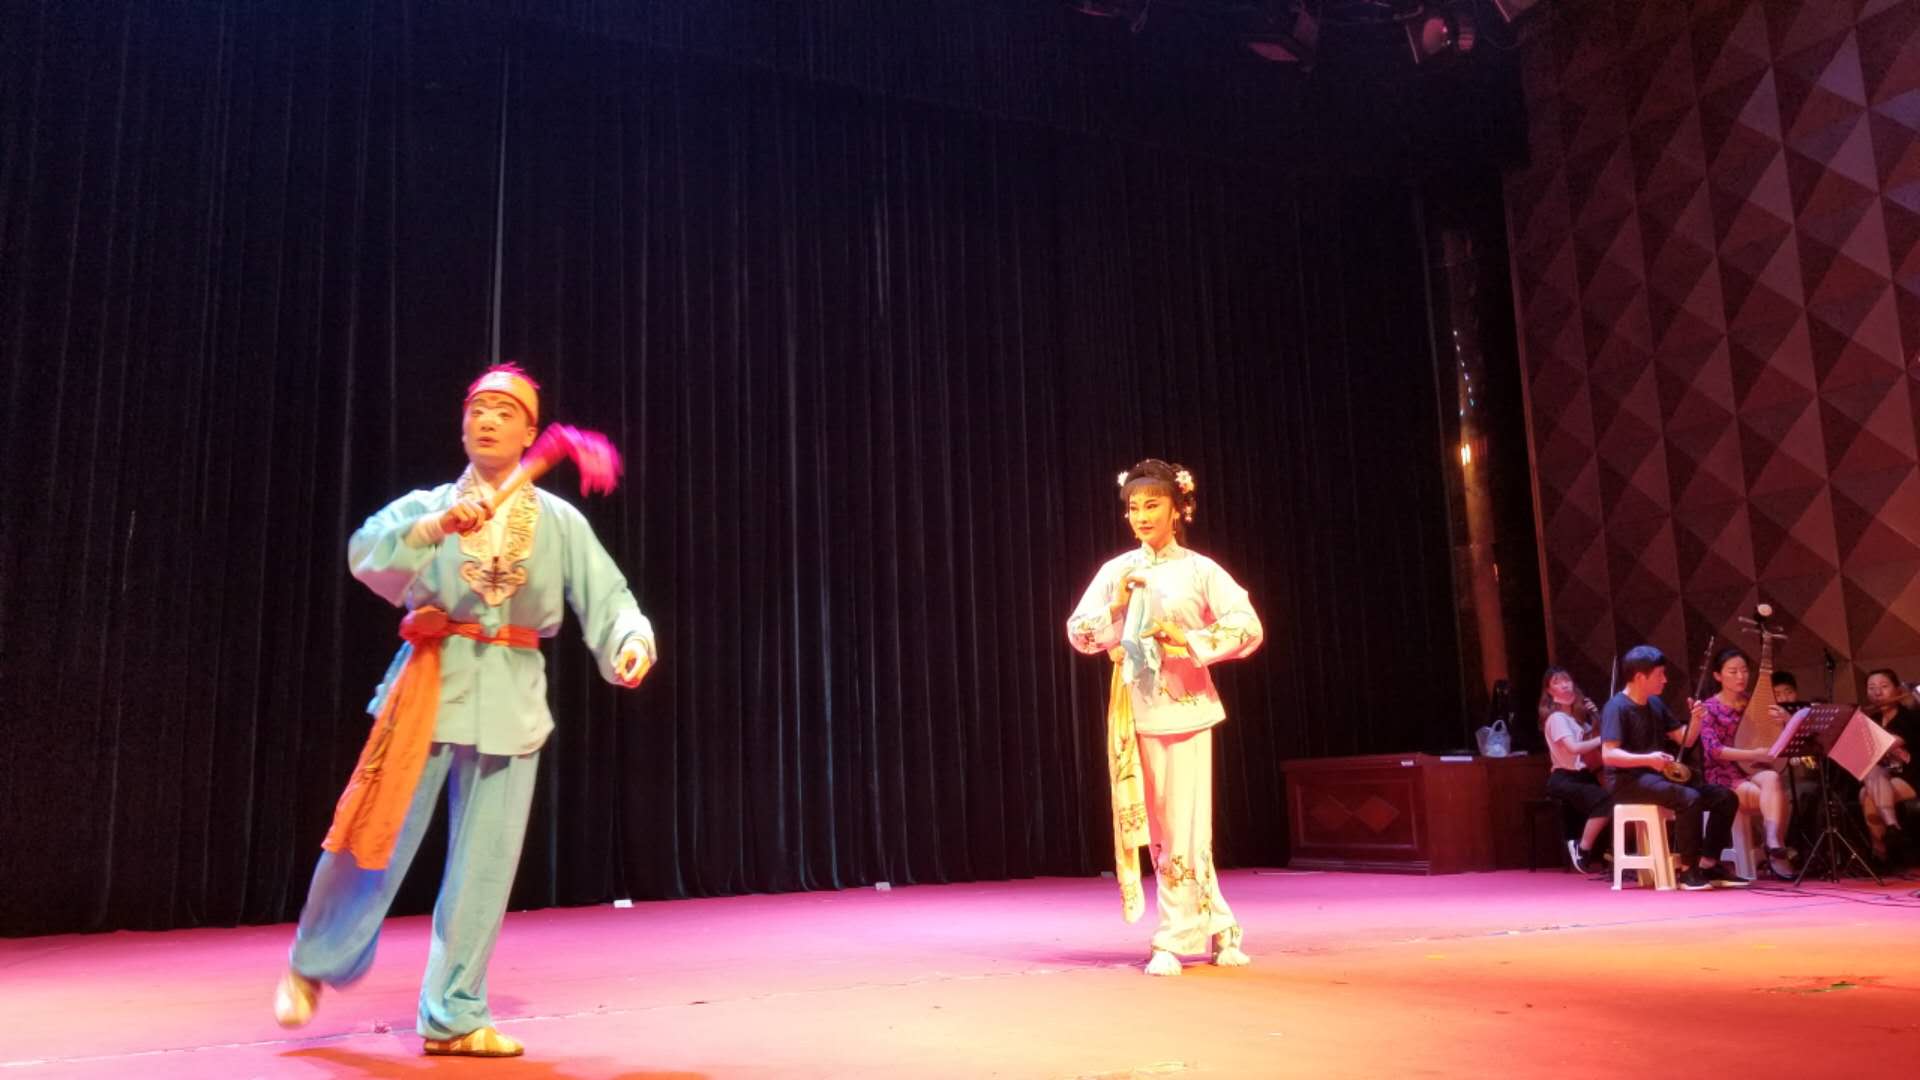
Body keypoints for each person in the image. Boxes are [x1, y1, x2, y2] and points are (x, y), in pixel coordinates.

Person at [272, 364, 656, 1057]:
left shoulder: (559, 523)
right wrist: (434, 528)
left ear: (531, 434)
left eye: (505, 413)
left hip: (512, 697)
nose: (488, 421)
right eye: (478, 409)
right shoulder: (428, 505)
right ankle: (313, 961)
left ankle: (453, 1014)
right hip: (430, 686)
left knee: (485, 866)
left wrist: (629, 640)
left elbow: (609, 597)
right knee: (375, 839)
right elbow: (366, 554)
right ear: (462, 425)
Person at [1066, 459, 1263, 976]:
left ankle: (1173, 938)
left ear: (1178, 509)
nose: (1141, 516)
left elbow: (1248, 626)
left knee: (1184, 827)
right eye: (1134, 507)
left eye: (1152, 505)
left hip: (1187, 710)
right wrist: (1115, 607)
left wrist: (1190, 639)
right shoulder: (1117, 572)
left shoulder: (1200, 570)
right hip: (1135, 713)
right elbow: (1079, 633)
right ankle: (1222, 926)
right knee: (1164, 827)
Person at [1598, 646, 1748, 890]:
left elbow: (1685, 739)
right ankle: (1688, 871)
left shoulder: (1655, 703)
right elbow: (1609, 755)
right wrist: (1648, 760)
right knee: (1688, 798)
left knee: (1725, 797)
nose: (1665, 680)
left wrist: (1697, 719)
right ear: (1640, 677)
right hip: (1628, 781)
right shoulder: (1617, 707)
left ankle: (1709, 864)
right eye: (1660, 675)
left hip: (1657, 776)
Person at [1692, 647, 1794, 879]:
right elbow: (1714, 751)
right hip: (1724, 774)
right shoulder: (1708, 708)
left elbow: (1775, 736)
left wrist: (1786, 720)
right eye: (1733, 671)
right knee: (1780, 800)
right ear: (1718, 676)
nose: (1741, 676)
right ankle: (1775, 850)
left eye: (1745, 670)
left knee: (1772, 777)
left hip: (1753, 769)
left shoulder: (1754, 703)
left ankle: (1772, 841)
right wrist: (1753, 754)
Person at [1538, 668, 1610, 873]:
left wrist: (1597, 718)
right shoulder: (1556, 718)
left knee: (1616, 798)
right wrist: (1603, 738)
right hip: (1564, 779)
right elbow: (1574, 748)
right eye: (1557, 682)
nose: (1564, 685)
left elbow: (1594, 746)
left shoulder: (1579, 722)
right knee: (1606, 801)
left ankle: (1609, 853)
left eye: (1567, 680)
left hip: (1583, 776)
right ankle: (1582, 848)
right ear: (1549, 691)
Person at [1858, 668, 1920, 866]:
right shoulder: (1872, 719)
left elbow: (1888, 743)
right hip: (1880, 779)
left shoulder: (1909, 717)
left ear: (1897, 689)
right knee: (1869, 782)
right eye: (1871, 688)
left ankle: (1880, 854)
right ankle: (1892, 828)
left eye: (1884, 686)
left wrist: (1857, 728)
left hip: (1911, 775)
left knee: (1867, 795)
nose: (1877, 692)